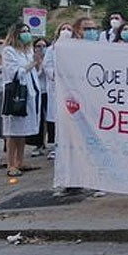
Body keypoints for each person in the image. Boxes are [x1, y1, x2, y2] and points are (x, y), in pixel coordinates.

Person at [1, 23, 42, 178]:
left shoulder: (28, 51)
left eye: (28, 31)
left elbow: (35, 72)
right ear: (15, 34)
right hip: (16, 94)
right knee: (13, 131)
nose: (26, 34)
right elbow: (15, 73)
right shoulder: (9, 51)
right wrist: (32, 63)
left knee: (22, 130)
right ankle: (11, 164)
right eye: (23, 31)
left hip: (30, 93)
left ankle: (20, 161)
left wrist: (37, 63)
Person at [42, 24, 72, 161]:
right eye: (63, 29)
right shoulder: (51, 49)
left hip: (71, 88)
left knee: (71, 120)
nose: (66, 32)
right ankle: (56, 146)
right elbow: (47, 65)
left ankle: (70, 147)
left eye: (69, 29)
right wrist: (57, 76)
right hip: (56, 88)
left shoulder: (76, 49)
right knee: (57, 119)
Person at [26, 37, 50, 156]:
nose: (41, 49)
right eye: (38, 46)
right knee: (39, 119)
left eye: (44, 46)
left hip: (48, 92)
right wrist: (37, 63)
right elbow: (35, 74)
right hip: (36, 92)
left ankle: (49, 142)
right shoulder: (31, 59)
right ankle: (39, 144)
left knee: (48, 118)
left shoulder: (50, 58)